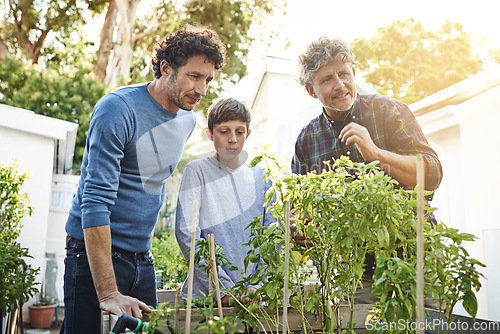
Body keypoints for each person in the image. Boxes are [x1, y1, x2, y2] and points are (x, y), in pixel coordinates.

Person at [62, 25, 226, 333]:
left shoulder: (187, 120)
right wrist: (108, 292)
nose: (202, 90)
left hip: (142, 261)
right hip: (92, 258)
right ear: (166, 69)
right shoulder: (117, 109)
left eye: (208, 80)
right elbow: (94, 202)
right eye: (194, 76)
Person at [290, 37, 443, 304]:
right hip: (358, 268)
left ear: (354, 74)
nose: (339, 85)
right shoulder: (307, 140)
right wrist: (298, 225)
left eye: (343, 74)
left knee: (431, 325)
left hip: (417, 253)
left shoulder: (389, 111)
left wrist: (375, 154)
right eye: (326, 79)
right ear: (311, 91)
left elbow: (431, 175)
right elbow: (300, 209)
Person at [175, 97, 275, 306]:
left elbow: (273, 236)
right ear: (210, 133)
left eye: (239, 132)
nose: (232, 139)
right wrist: (224, 289)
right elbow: (187, 233)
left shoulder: (263, 176)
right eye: (224, 131)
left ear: (247, 134)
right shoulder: (197, 171)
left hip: (256, 299)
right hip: (208, 298)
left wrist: (259, 287)